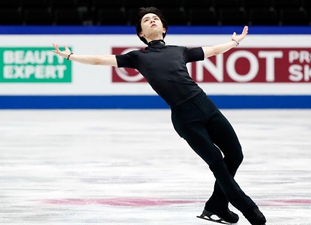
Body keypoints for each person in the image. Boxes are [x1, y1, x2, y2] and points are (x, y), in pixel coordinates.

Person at [52, 7, 266, 225]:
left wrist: (235, 42)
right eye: (146, 20)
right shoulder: (138, 57)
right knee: (217, 163)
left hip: (206, 105)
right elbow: (99, 60)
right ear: (142, 34)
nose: (152, 20)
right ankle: (249, 209)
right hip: (185, 117)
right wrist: (69, 56)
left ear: (164, 28)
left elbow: (212, 50)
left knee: (235, 155)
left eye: (156, 18)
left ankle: (217, 205)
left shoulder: (179, 51)